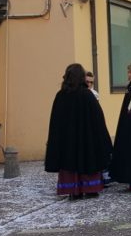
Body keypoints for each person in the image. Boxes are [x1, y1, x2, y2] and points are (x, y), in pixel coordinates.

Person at [44, 63, 112, 199]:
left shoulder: (61, 96)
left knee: (70, 163)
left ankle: (73, 190)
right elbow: (98, 119)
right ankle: (90, 188)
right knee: (88, 160)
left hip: (68, 141)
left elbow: (55, 121)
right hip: (87, 140)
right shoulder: (87, 95)